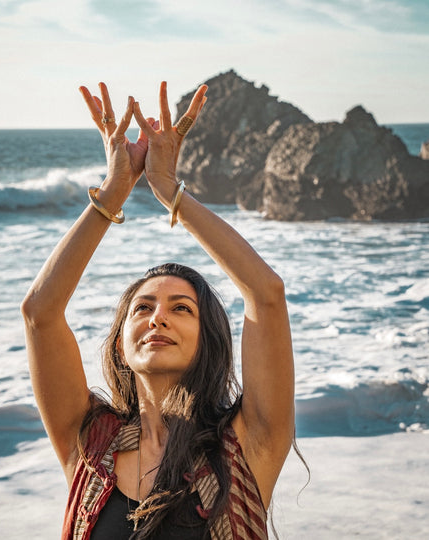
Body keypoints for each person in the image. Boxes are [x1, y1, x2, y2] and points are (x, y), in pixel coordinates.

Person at [21, 81, 295, 540]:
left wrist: (170, 191)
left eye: (181, 308)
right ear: (121, 343)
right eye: (142, 307)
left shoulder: (246, 445)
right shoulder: (89, 444)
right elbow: (39, 313)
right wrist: (113, 191)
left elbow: (266, 295)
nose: (157, 317)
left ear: (207, 337)